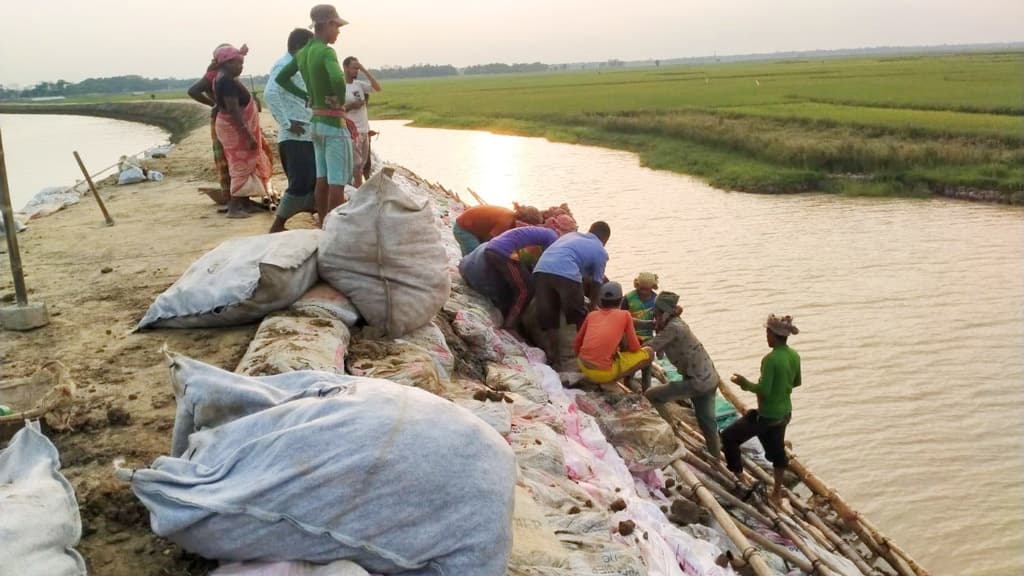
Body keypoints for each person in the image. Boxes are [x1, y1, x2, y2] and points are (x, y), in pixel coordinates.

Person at [276, 4, 352, 228]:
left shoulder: (303, 52)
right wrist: (339, 100)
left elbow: (282, 78)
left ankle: (322, 222)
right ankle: (335, 228)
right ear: (327, 24)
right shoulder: (326, 51)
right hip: (333, 124)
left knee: (322, 178)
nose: (338, 31)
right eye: (336, 26)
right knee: (337, 181)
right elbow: (338, 78)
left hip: (315, 123)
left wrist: (305, 95)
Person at [722, 314, 802, 501]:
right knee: (777, 453)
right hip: (784, 413)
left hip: (767, 415)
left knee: (729, 437)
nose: (766, 337)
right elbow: (796, 382)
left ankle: (740, 477)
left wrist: (744, 383)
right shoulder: (794, 355)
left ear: (773, 335)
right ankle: (776, 492)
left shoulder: (771, 359)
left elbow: (764, 390)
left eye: (767, 333)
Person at [643, 292, 721, 458]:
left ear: (664, 313)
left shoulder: (673, 329)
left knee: (651, 395)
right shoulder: (674, 324)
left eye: (656, 314)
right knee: (707, 422)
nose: (655, 317)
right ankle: (716, 455)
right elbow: (660, 346)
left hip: (697, 381)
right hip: (709, 376)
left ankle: (672, 431)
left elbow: (650, 349)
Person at [532, 221, 611, 370]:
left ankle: (553, 358)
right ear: (605, 239)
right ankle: (585, 357)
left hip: (540, 270)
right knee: (579, 316)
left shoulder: (571, 236)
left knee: (550, 318)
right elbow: (597, 283)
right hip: (565, 275)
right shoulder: (600, 250)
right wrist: (593, 307)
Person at [265, 29, 316, 232]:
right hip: (295, 135)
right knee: (301, 182)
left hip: (306, 134)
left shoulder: (298, 65)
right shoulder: (284, 65)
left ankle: (319, 217)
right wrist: (287, 123)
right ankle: (277, 226)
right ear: (298, 47)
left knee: (313, 179)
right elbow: (270, 94)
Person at [213, 45, 272, 218]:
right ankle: (234, 208)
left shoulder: (225, 77)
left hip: (233, 127)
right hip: (235, 129)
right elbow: (234, 110)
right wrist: (247, 134)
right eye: (237, 63)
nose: (241, 67)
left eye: (242, 63)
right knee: (239, 167)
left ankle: (245, 203)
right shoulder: (226, 81)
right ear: (226, 63)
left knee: (248, 165)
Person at [187, 43, 248, 200]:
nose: (240, 65)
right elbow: (193, 91)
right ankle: (233, 198)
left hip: (231, 119)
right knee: (230, 159)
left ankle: (239, 196)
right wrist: (213, 104)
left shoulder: (225, 74)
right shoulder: (216, 75)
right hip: (228, 122)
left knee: (232, 159)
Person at [572, 281, 653, 393]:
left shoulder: (592, 315)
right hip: (603, 374)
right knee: (649, 352)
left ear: (601, 301)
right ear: (620, 300)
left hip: (583, 365)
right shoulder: (625, 315)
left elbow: (576, 343)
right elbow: (635, 348)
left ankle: (603, 376)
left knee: (613, 352)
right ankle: (619, 381)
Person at [483, 226, 558, 329]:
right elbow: (548, 263)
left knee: (518, 283)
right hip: (503, 252)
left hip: (494, 246)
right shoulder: (554, 239)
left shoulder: (545, 233)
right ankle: (510, 326)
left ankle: (505, 314)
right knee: (526, 290)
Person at [342, 56, 381, 187]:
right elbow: (337, 109)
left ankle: (355, 188)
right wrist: (351, 105)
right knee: (356, 165)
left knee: (362, 164)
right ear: (345, 68)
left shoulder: (358, 85)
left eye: (358, 68)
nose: (356, 71)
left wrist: (365, 70)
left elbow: (377, 88)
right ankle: (358, 192)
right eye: (354, 68)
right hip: (352, 131)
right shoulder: (340, 87)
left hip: (364, 130)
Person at [453, 203, 542, 256]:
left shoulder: (510, 217)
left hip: (472, 227)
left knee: (471, 255)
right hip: (464, 229)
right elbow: (489, 243)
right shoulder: (506, 222)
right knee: (475, 254)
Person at [622, 272, 658, 390]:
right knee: (630, 368)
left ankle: (646, 391)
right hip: (631, 339)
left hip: (648, 340)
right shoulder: (628, 298)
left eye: (647, 290)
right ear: (637, 286)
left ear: (652, 288)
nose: (644, 292)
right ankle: (629, 384)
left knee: (646, 369)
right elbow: (621, 318)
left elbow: (659, 322)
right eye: (641, 289)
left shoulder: (656, 300)